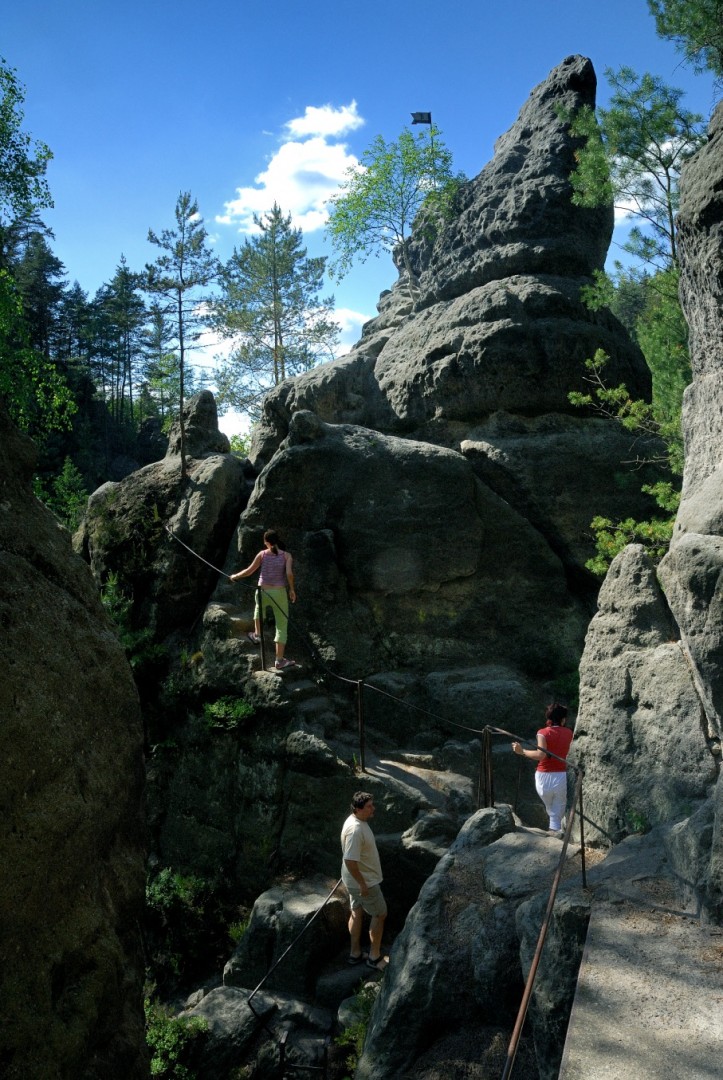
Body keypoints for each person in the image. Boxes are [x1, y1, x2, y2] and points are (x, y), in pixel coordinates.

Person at [229, 529, 298, 671]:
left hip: (263, 590)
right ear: (277, 541)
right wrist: (291, 590)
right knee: (281, 624)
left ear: (267, 542)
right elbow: (289, 574)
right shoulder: (287, 556)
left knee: (259, 610)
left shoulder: (262, 554)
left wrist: (235, 576)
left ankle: (257, 635)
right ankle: (279, 661)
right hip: (279, 592)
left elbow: (249, 570)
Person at [340, 791, 388, 970]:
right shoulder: (356, 829)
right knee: (380, 914)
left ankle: (355, 953)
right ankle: (374, 958)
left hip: (353, 880)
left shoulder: (355, 821)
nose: (373, 808)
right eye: (369, 806)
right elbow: (350, 859)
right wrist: (362, 884)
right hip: (364, 882)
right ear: (358, 809)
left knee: (357, 911)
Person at [512, 703, 573, 835]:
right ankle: (557, 833)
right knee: (557, 811)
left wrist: (522, 751)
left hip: (543, 778)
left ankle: (556, 831)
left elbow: (541, 755)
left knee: (552, 810)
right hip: (561, 776)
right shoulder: (569, 733)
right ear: (563, 719)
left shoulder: (542, 733)